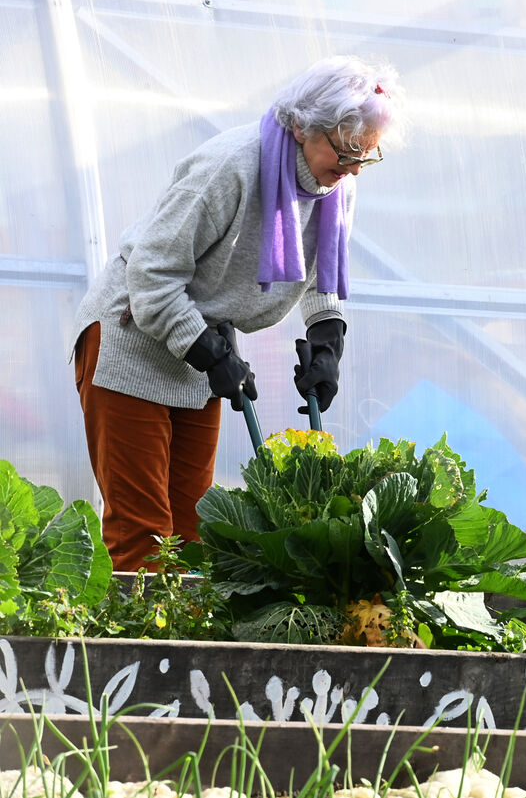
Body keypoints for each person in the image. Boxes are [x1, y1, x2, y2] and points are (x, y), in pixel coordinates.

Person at [72, 54, 405, 570]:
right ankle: (137, 651)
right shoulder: (231, 166)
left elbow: (323, 272)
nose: (353, 168)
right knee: (143, 535)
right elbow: (151, 276)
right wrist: (206, 351)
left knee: (193, 532)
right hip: (132, 336)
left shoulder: (336, 183)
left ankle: (186, 652)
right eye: (344, 152)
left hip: (201, 344)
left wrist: (327, 338)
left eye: (366, 156)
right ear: (300, 126)